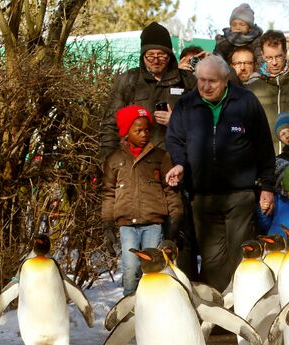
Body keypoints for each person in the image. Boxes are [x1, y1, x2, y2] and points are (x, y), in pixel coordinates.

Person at [164, 55, 275, 291]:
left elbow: (264, 146)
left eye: (212, 81)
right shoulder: (186, 104)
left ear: (226, 80)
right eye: (201, 80)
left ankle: (240, 307)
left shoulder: (245, 102)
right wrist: (180, 164)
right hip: (202, 196)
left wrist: (267, 186)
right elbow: (175, 140)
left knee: (239, 253)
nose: (205, 86)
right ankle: (219, 310)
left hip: (240, 193)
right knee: (212, 259)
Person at [101, 105, 183, 295]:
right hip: (127, 225)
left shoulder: (160, 157)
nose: (144, 134)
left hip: (153, 224)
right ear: (126, 132)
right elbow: (108, 193)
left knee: (153, 269)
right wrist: (107, 224)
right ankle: (130, 309)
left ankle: (153, 303)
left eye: (147, 130)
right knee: (130, 269)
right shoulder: (114, 160)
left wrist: (176, 218)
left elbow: (171, 190)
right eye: (138, 130)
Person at [99, 22, 196, 159]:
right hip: (136, 163)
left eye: (161, 55)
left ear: (169, 56)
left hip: (177, 162)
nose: (155, 60)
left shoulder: (188, 81)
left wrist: (176, 122)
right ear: (143, 55)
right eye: (150, 55)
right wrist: (108, 163)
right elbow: (110, 126)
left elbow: (205, 124)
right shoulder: (128, 80)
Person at [248, 30, 289, 152]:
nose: (274, 62)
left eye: (278, 56)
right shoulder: (253, 90)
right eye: (269, 58)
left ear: (286, 53)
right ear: (262, 55)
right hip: (264, 162)